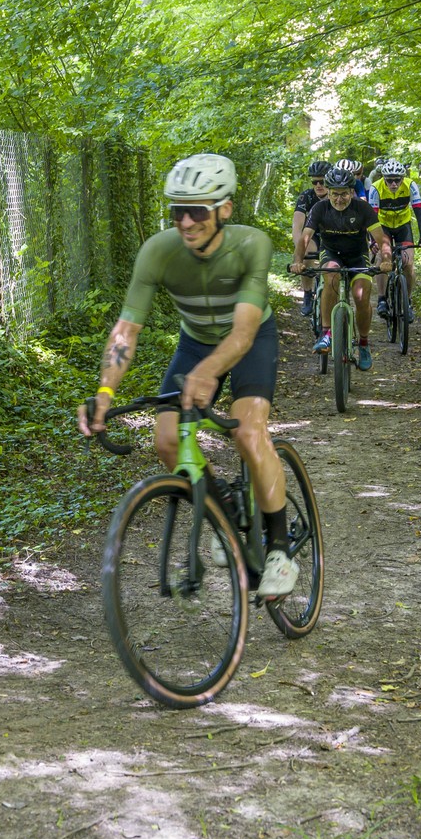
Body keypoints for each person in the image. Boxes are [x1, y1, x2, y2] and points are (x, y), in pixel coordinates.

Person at [78, 154, 298, 597]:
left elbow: (243, 333)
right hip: (195, 342)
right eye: (178, 210)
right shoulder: (158, 252)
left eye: (197, 210)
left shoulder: (251, 244)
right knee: (166, 440)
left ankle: (279, 549)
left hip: (250, 338)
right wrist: (104, 391)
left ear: (225, 209)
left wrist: (208, 372)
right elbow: (126, 330)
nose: (186, 221)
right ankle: (223, 511)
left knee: (248, 432)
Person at [293, 164, 392, 371]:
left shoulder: (362, 209)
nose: (339, 199)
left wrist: (386, 259)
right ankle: (326, 334)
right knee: (330, 275)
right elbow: (305, 237)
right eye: (335, 194)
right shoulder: (319, 208)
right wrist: (298, 261)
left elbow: (381, 238)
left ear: (351, 192)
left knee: (361, 296)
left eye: (344, 194)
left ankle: (363, 344)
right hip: (331, 253)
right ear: (328, 192)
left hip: (357, 256)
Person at [371, 157, 421, 321]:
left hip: (403, 225)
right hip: (383, 226)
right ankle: (382, 299)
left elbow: (419, 212)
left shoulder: (410, 186)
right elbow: (372, 218)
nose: (394, 184)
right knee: (384, 259)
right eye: (389, 180)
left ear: (403, 178)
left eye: (397, 180)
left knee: (408, 263)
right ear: (384, 179)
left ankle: (407, 302)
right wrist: (373, 241)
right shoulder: (376, 188)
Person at [292, 160, 331, 317]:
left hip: (333, 234)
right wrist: (299, 252)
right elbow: (297, 227)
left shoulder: (337, 195)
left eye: (322, 181)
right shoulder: (306, 197)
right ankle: (308, 294)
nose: (318, 185)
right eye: (315, 182)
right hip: (313, 234)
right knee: (307, 253)